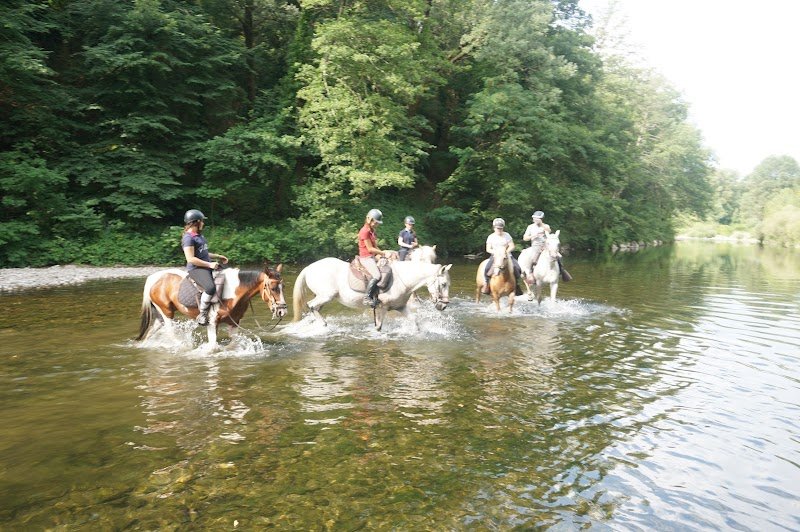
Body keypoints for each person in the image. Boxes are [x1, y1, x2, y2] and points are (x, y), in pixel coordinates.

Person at [181, 209, 229, 325]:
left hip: (205, 266)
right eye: (202, 221)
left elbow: (203, 253)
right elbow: (191, 259)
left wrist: (218, 256)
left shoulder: (199, 236)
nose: (203, 223)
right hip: (196, 269)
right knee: (210, 287)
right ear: (196, 222)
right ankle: (202, 314)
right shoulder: (188, 238)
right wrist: (209, 264)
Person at [523, 210, 572, 282]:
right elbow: (525, 238)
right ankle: (530, 274)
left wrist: (543, 227)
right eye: (534, 218)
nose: (535, 220)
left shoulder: (545, 226)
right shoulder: (530, 227)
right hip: (536, 246)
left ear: (541, 219)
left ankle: (561, 271)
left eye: (537, 218)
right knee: (533, 258)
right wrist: (533, 235)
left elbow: (549, 231)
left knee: (559, 256)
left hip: (546, 246)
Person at [358, 208, 391, 308]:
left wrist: (383, 255)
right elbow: (370, 248)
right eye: (376, 222)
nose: (377, 225)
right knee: (377, 275)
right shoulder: (364, 231)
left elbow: (375, 247)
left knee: (388, 264)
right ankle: (366, 298)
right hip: (366, 257)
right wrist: (383, 252)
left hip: (372, 256)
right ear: (370, 220)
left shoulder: (372, 231)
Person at [481, 218, 522, 295]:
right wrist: (496, 252)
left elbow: (512, 246)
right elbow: (488, 249)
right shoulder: (491, 237)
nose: (499, 230)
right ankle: (487, 284)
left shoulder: (507, 235)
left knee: (517, 268)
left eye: (501, 228)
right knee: (487, 269)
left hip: (507, 256)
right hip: (495, 256)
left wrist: (506, 252)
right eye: (497, 228)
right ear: (494, 228)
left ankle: (516, 285)